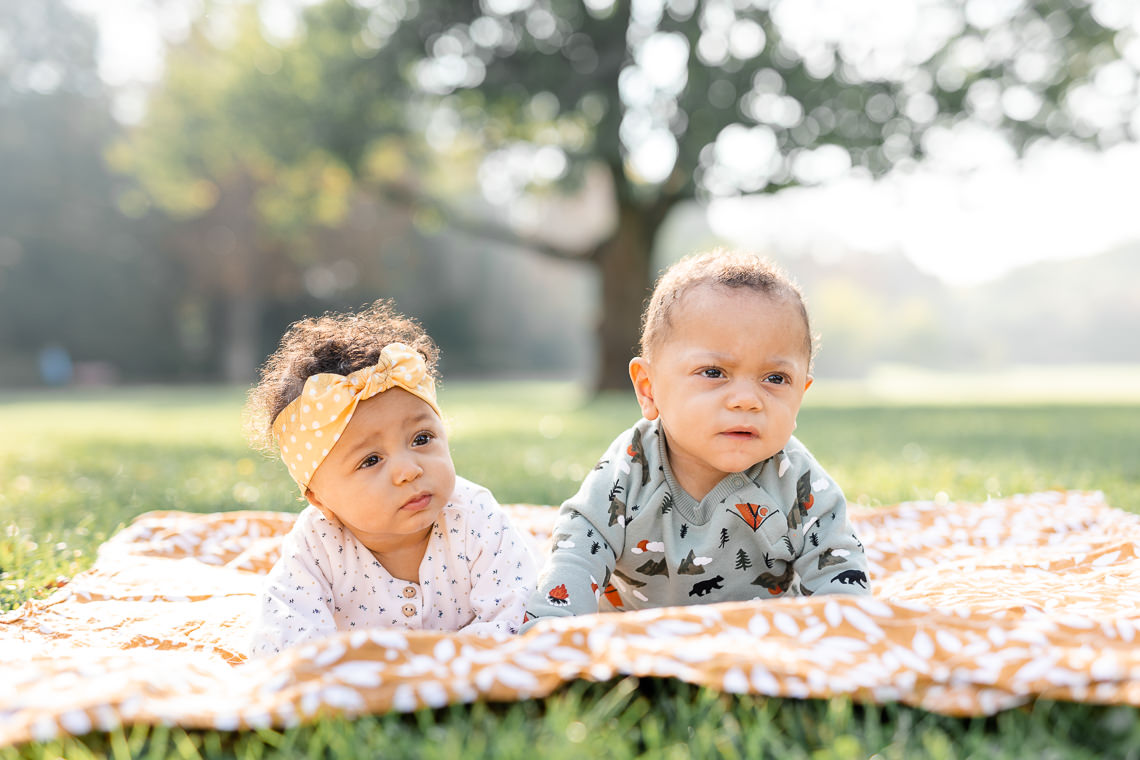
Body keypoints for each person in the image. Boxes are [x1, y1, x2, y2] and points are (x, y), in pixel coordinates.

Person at [520, 250, 869, 630]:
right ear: (649, 389)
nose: (747, 400)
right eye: (714, 372)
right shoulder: (629, 469)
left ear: (801, 394)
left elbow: (839, 570)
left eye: (775, 379)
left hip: (760, 640)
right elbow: (579, 549)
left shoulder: (799, 483)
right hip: (635, 633)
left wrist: (845, 634)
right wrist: (551, 630)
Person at [245, 300, 537, 656]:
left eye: (421, 439)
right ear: (321, 500)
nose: (408, 470)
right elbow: (284, 643)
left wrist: (437, 665)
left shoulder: (475, 517)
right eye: (370, 460)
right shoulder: (316, 547)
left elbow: (519, 616)